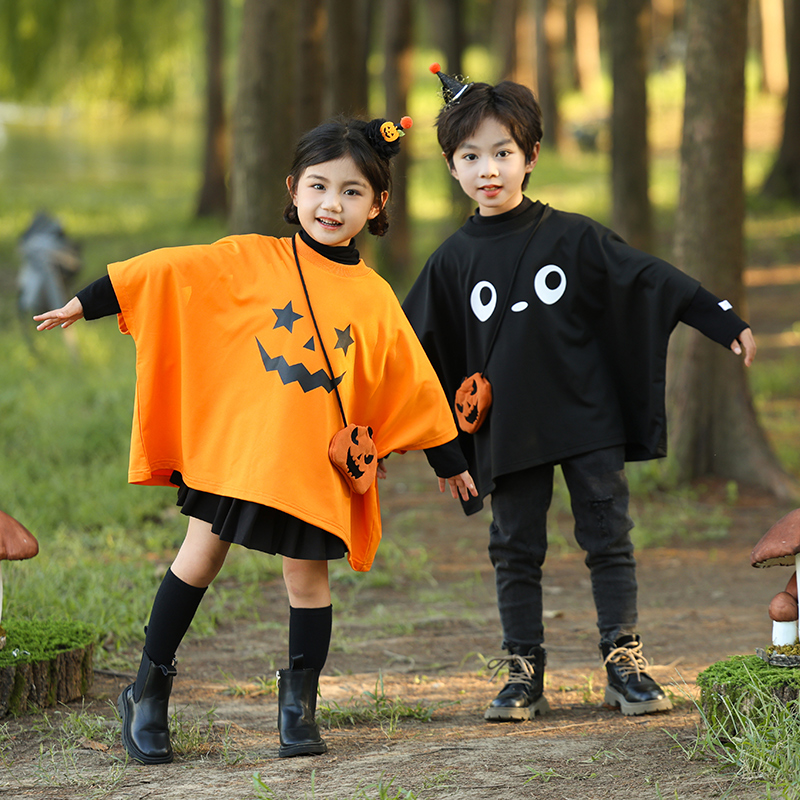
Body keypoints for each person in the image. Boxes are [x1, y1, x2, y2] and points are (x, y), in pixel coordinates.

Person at [35, 115, 476, 763]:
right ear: (294, 189)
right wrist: (87, 302)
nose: (333, 204)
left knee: (307, 581)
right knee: (200, 557)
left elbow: (412, 380)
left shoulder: (376, 297)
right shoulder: (249, 259)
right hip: (241, 455)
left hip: (313, 467)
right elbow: (165, 273)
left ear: (377, 205)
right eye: (320, 187)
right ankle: (148, 690)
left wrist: (449, 454)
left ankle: (298, 707)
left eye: (352, 192)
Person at [402, 67, 757, 723]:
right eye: (471, 156)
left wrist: (721, 319)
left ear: (531, 156)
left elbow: (647, 278)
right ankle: (522, 671)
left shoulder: (574, 236)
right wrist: (440, 452)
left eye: (503, 153)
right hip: (506, 428)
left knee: (608, 536)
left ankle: (624, 663)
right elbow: (408, 351)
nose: (489, 169)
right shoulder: (450, 261)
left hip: (586, 417)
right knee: (514, 547)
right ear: (451, 166)